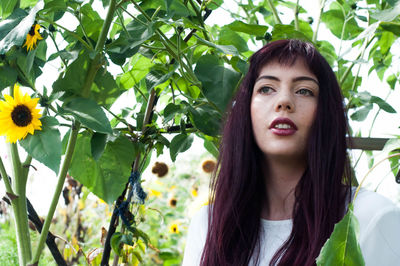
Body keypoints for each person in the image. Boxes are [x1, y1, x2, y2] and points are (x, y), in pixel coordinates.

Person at [182, 39, 400, 265]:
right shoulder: (208, 225)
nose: (284, 101)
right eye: (266, 89)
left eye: (304, 91)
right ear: (245, 110)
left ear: (326, 113)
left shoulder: (372, 219)